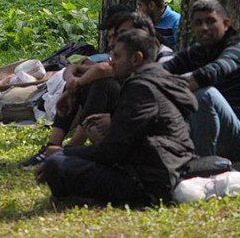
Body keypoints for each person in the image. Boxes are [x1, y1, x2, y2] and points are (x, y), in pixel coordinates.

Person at [36, 29, 197, 208]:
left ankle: (76, 197)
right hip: (172, 167)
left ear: (136, 58)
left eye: (117, 57)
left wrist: (63, 152)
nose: (113, 62)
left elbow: (110, 152)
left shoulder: (141, 87)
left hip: (149, 182)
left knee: (57, 165)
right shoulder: (162, 79)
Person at [21, 11, 174, 167]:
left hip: (144, 127)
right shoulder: (127, 53)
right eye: (113, 37)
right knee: (92, 81)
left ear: (144, 33)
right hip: (126, 117)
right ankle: (53, 146)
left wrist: (78, 83)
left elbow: (103, 70)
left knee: (102, 83)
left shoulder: (163, 57)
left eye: (122, 33)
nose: (115, 42)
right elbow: (90, 67)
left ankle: (71, 148)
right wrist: (76, 83)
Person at [164, 0, 240, 163]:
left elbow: (210, 73)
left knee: (204, 95)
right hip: (206, 131)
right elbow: (164, 69)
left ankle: (204, 165)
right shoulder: (197, 52)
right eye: (198, 23)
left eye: (210, 21)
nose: (204, 28)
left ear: (225, 24)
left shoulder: (237, 51)